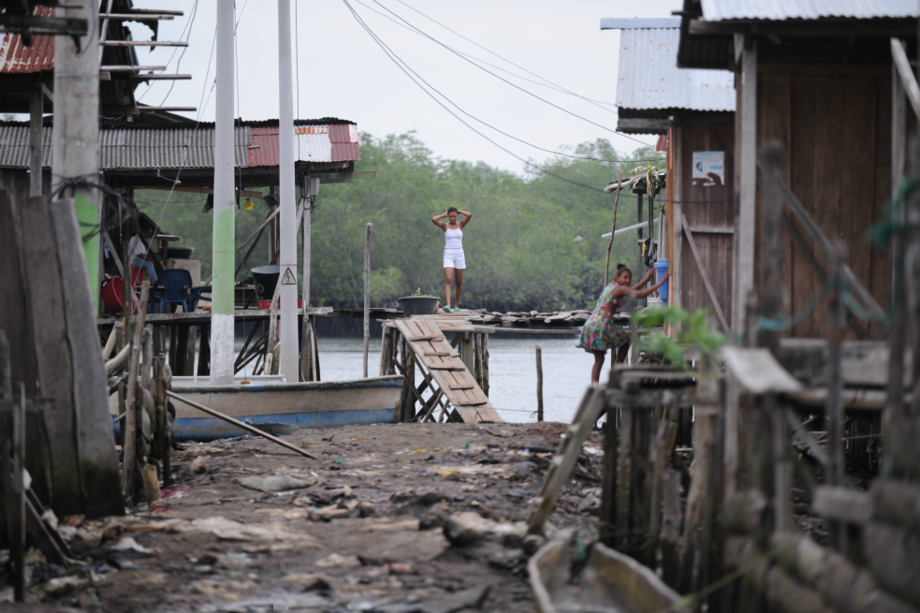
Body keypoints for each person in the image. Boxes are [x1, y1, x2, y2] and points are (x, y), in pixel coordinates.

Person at [577, 263, 669, 384]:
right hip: (601, 323)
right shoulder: (620, 288)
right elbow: (639, 294)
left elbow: (632, 290)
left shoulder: (612, 286)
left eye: (630, 278)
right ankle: (617, 369)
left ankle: (595, 385)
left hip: (592, 322)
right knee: (627, 340)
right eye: (625, 277)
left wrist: (646, 280)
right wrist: (660, 283)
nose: (628, 280)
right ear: (617, 278)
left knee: (599, 360)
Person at [430, 206, 472, 312]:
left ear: (457, 216)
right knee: (448, 279)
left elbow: (469, 215)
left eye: (454, 216)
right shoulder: (445, 226)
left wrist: (459, 211)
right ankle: (448, 305)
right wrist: (444, 215)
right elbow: (433, 219)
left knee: (459, 282)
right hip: (448, 253)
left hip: (459, 254)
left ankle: (456, 306)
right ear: (448, 216)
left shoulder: (461, 225)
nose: (452, 218)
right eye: (450, 216)